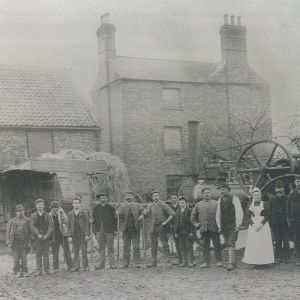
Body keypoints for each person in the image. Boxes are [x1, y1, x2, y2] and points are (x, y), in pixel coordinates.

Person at [140, 189, 175, 267]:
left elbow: (172, 213)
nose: (155, 197)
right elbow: (145, 213)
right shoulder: (150, 205)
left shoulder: (163, 205)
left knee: (165, 244)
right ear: (152, 197)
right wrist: (143, 211)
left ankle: (168, 261)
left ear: (159, 196)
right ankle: (153, 261)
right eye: (154, 196)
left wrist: (165, 222)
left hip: (161, 227)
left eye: (157, 195)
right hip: (152, 228)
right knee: (153, 245)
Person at [191, 188, 222, 268]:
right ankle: (206, 262)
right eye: (205, 193)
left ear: (210, 194)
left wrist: (220, 226)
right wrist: (196, 224)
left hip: (214, 228)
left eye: (208, 193)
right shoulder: (198, 205)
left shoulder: (216, 203)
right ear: (202, 194)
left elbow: (220, 215)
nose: (207, 194)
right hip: (204, 229)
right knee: (205, 246)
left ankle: (219, 261)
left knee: (217, 245)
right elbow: (193, 217)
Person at [243, 187, 274, 266]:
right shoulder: (249, 204)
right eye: (255, 195)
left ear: (260, 196)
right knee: (254, 243)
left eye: (258, 195)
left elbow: (268, 215)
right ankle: (254, 261)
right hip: (253, 225)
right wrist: (253, 224)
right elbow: (247, 216)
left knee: (263, 242)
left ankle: (265, 262)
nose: (256, 196)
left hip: (263, 225)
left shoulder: (265, 204)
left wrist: (261, 224)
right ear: (253, 196)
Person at [216, 182, 243, 271]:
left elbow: (239, 212)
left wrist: (238, 224)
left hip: (233, 225)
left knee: (231, 242)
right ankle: (233, 262)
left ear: (228, 190)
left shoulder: (234, 198)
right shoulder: (219, 200)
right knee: (228, 242)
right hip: (224, 225)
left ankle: (230, 263)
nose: (222, 191)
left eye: (223, 189)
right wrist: (219, 226)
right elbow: (218, 214)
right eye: (220, 190)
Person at [117, 191, 143, 268]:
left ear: (133, 197)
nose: (128, 197)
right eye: (127, 196)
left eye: (130, 196)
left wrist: (142, 215)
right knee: (126, 246)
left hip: (135, 228)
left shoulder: (138, 205)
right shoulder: (122, 206)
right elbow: (119, 215)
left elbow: (143, 211)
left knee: (136, 246)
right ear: (125, 197)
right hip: (126, 229)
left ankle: (137, 262)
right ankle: (125, 262)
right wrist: (117, 210)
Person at [92, 193, 117, 269]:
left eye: (105, 198)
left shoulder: (111, 208)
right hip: (99, 230)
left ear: (107, 199)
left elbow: (115, 220)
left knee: (110, 247)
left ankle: (112, 264)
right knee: (101, 248)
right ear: (99, 199)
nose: (103, 199)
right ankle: (101, 264)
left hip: (109, 230)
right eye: (102, 198)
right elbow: (94, 220)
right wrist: (94, 230)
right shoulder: (96, 208)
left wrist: (115, 230)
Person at [30, 199, 54, 276]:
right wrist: (37, 234)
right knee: (38, 253)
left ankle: (47, 269)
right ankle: (39, 270)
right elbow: (32, 226)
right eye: (38, 204)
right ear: (36, 206)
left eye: (41, 204)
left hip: (46, 237)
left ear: (43, 206)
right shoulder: (33, 215)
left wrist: (47, 235)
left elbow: (51, 226)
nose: (40, 206)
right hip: (37, 237)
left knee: (46, 253)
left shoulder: (48, 215)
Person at [268, 180, 290, 263]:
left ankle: (287, 257)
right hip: (276, 223)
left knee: (286, 240)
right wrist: (271, 222)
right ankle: (279, 257)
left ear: (283, 189)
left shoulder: (287, 198)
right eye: (277, 189)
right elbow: (269, 212)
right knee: (277, 240)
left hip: (285, 223)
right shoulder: (272, 200)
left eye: (281, 188)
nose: (279, 191)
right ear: (275, 190)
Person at [6, 204, 31, 277]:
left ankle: (24, 271)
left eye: (22, 211)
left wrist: (30, 242)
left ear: (24, 211)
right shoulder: (12, 221)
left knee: (24, 258)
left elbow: (30, 232)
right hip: (15, 242)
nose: (20, 212)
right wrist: (8, 242)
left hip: (24, 242)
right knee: (16, 258)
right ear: (16, 212)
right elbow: (8, 231)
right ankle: (16, 271)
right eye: (19, 211)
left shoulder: (27, 220)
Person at [67, 198, 90, 272]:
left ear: (80, 204)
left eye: (77, 203)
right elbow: (68, 226)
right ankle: (76, 266)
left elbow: (87, 224)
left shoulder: (84, 213)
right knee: (75, 250)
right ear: (72, 204)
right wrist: (69, 236)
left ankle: (85, 266)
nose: (76, 204)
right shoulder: (70, 214)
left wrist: (87, 234)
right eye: (74, 203)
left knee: (83, 250)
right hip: (74, 235)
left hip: (82, 234)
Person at [49, 201, 72, 272]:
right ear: (51, 208)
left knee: (67, 250)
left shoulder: (61, 213)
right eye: (53, 208)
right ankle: (55, 267)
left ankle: (70, 266)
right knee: (55, 251)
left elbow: (66, 221)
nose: (55, 209)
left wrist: (63, 214)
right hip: (54, 235)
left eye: (56, 208)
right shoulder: (49, 215)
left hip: (63, 235)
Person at [173, 196, 193, 267]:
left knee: (189, 246)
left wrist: (191, 232)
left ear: (186, 203)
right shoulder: (177, 211)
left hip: (187, 231)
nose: (182, 204)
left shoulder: (190, 211)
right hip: (180, 231)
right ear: (179, 203)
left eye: (183, 202)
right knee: (182, 246)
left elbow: (192, 222)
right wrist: (175, 232)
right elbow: (176, 222)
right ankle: (184, 262)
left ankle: (190, 261)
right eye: (180, 203)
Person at [287, 174, 300, 266]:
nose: (299, 183)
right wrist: (288, 218)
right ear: (295, 183)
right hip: (296, 219)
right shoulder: (292, 193)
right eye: (297, 181)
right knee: (297, 238)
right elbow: (287, 207)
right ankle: (299, 258)